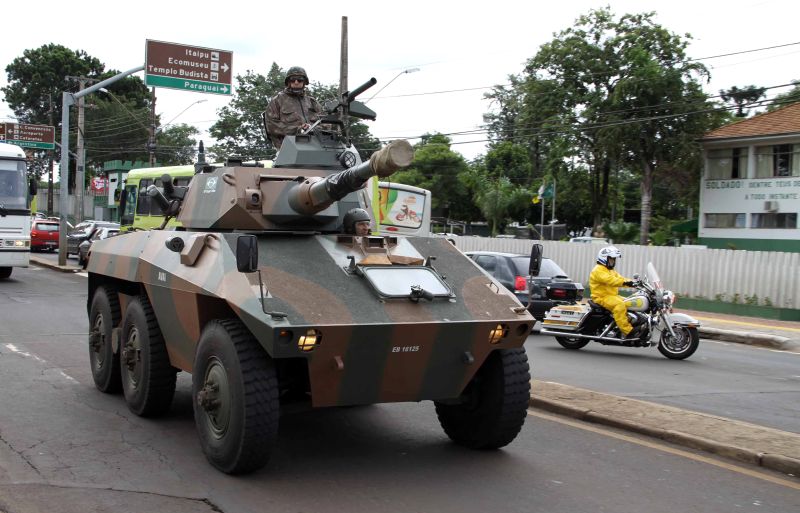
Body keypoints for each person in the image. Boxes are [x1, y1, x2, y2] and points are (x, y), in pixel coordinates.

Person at [589, 246, 640, 339]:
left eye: (614, 259)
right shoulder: (598, 270)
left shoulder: (610, 270)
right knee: (619, 305)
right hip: (601, 297)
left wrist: (633, 283)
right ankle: (628, 331)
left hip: (612, 296)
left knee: (630, 301)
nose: (613, 261)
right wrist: (626, 283)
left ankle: (632, 322)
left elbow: (620, 279)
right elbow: (611, 280)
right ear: (604, 258)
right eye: (611, 259)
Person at [265, 66, 323, 149]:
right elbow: (272, 126)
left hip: (316, 147)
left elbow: (326, 123)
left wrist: (313, 128)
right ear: (288, 82)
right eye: (293, 80)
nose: (296, 82)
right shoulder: (277, 101)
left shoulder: (312, 102)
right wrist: (297, 130)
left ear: (304, 82)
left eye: (299, 80)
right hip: (288, 149)